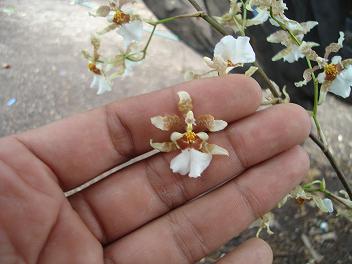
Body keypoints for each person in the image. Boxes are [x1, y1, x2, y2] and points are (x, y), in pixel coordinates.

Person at [0, 75, 311, 264]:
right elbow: (163, 138)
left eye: (193, 131)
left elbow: (212, 129)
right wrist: (183, 140)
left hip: (192, 151)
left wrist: (196, 140)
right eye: (188, 131)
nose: (190, 131)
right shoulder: (178, 132)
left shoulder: (199, 133)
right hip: (186, 151)